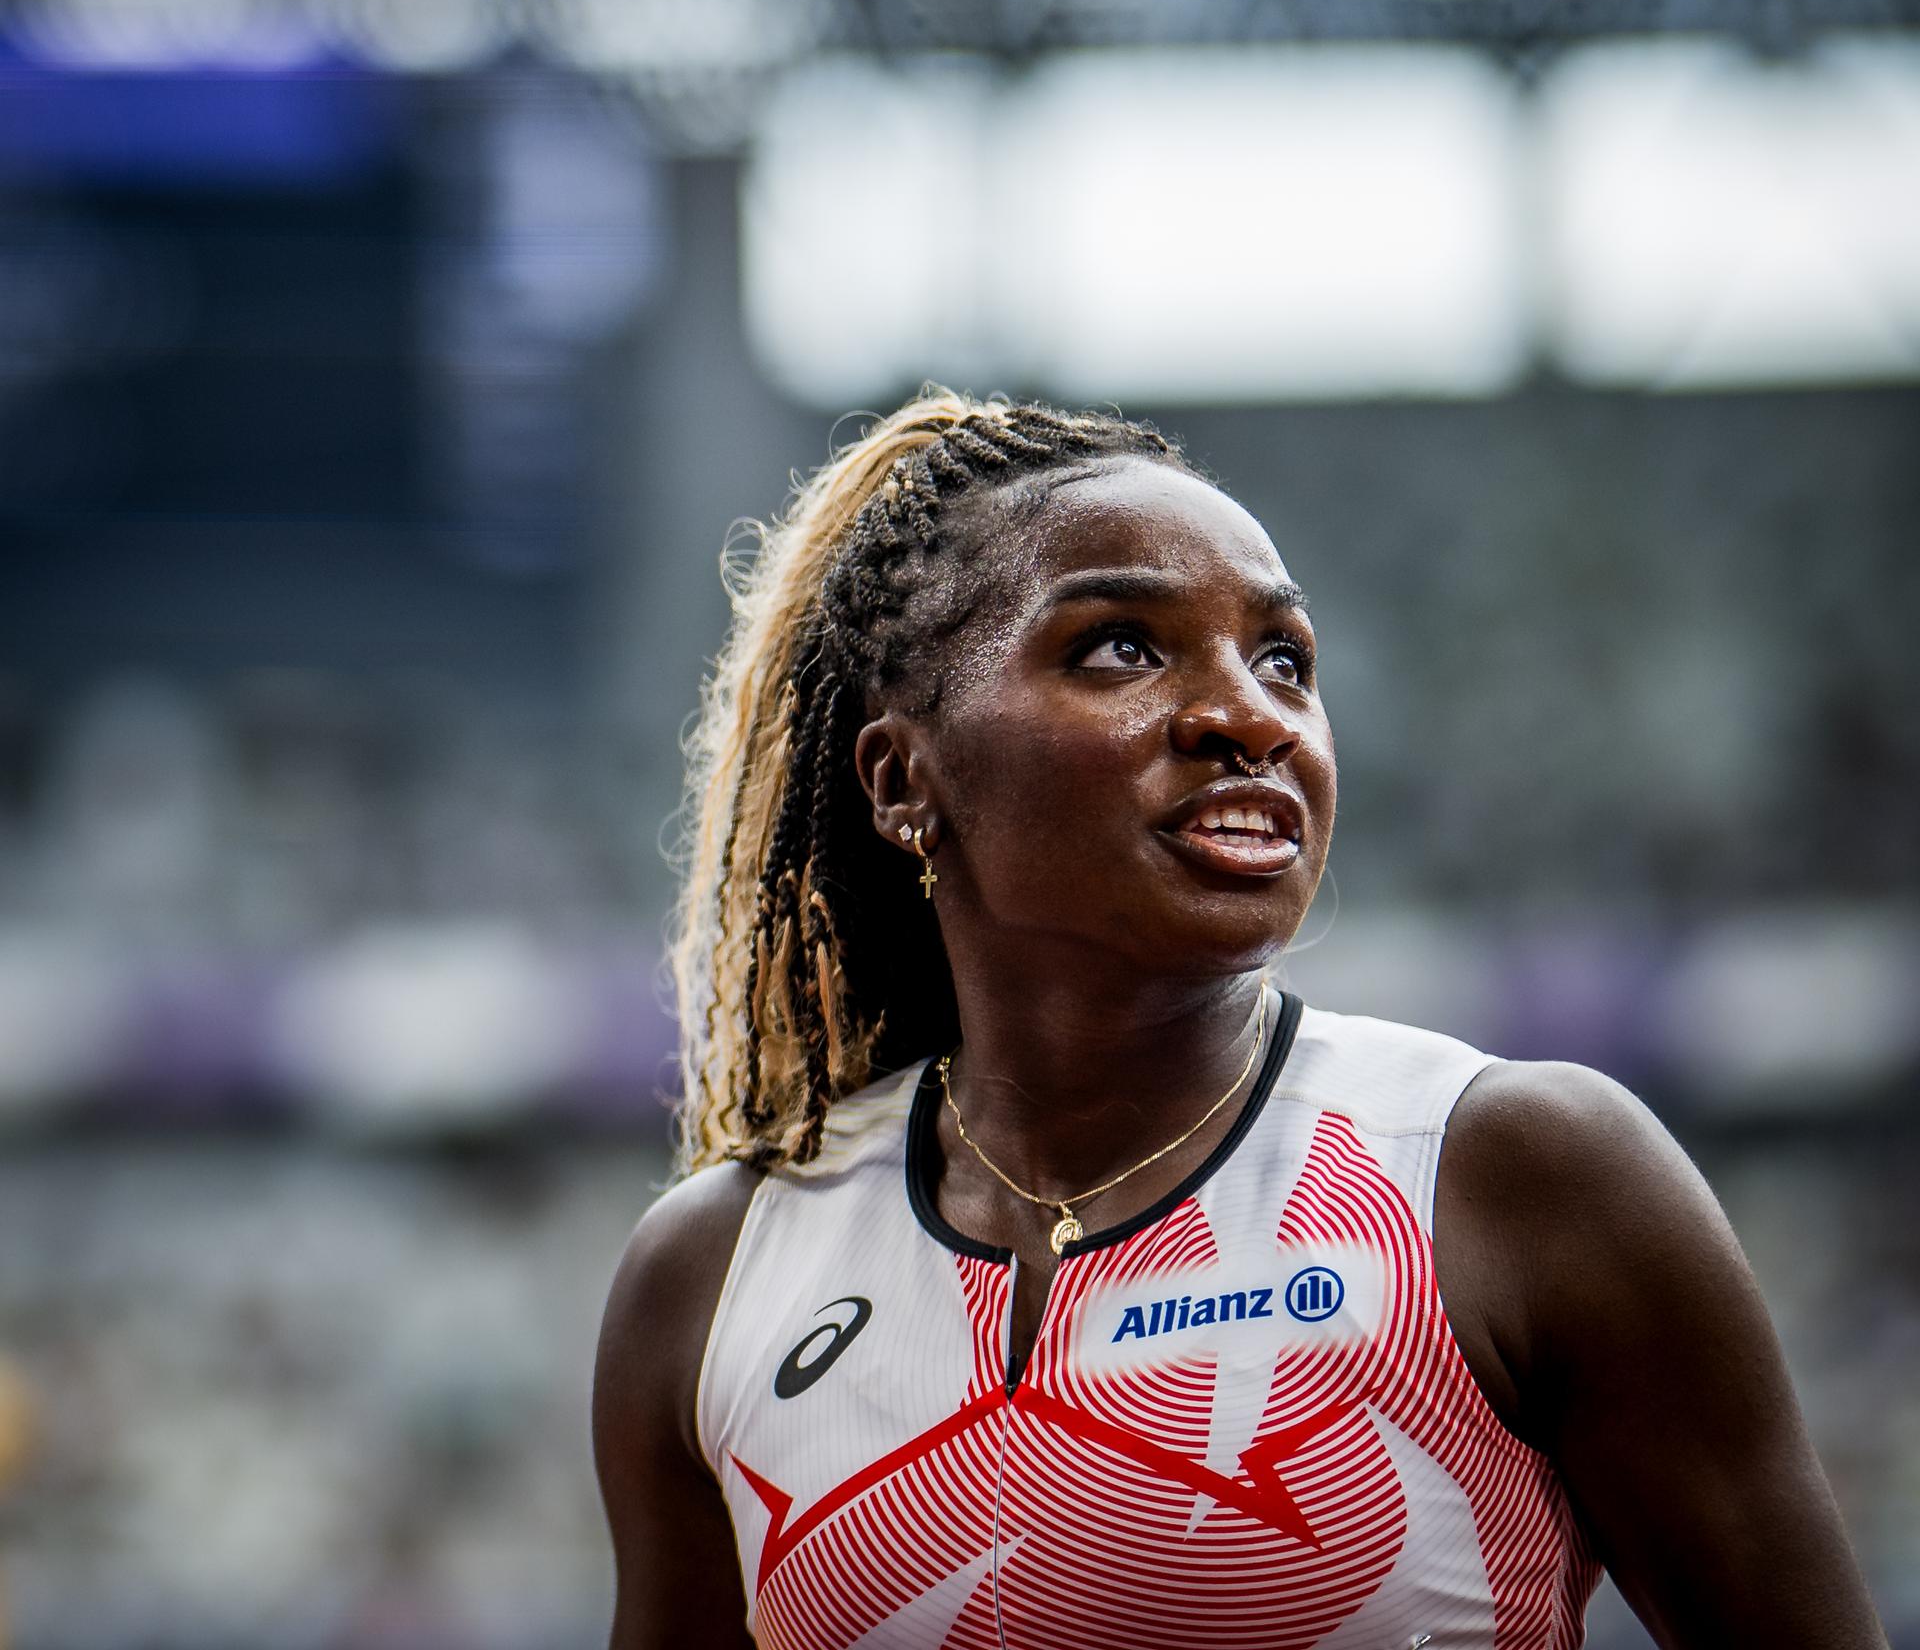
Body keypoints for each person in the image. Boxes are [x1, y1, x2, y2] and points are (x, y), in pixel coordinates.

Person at [594, 390, 1886, 1649]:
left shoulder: (1522, 1180)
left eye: (1284, 660)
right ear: (901, 777)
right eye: (1122, 646)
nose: (1247, 717)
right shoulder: (712, 1281)